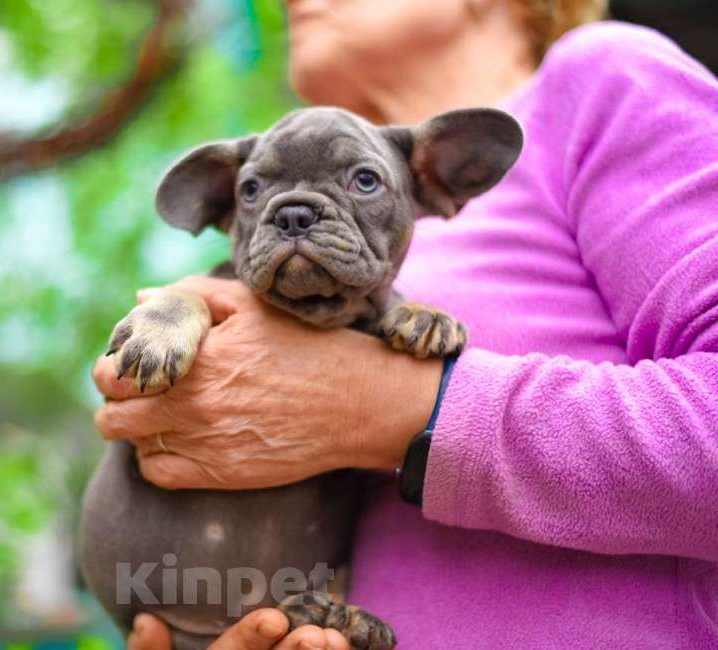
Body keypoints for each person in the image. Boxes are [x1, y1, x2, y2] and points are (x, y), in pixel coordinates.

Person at [92, 0, 718, 647]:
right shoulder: (301, 194)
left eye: (363, 182)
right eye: (255, 192)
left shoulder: (603, 78)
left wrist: (403, 406)